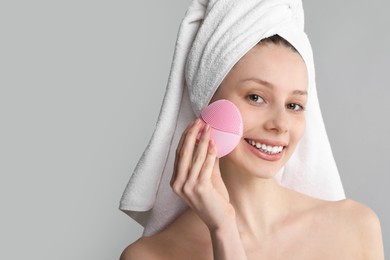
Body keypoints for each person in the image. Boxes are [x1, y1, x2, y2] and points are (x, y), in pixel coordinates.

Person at [119, 1, 384, 259]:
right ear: (207, 100)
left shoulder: (355, 228)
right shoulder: (149, 256)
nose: (279, 125)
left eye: (294, 105)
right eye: (256, 97)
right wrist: (223, 228)